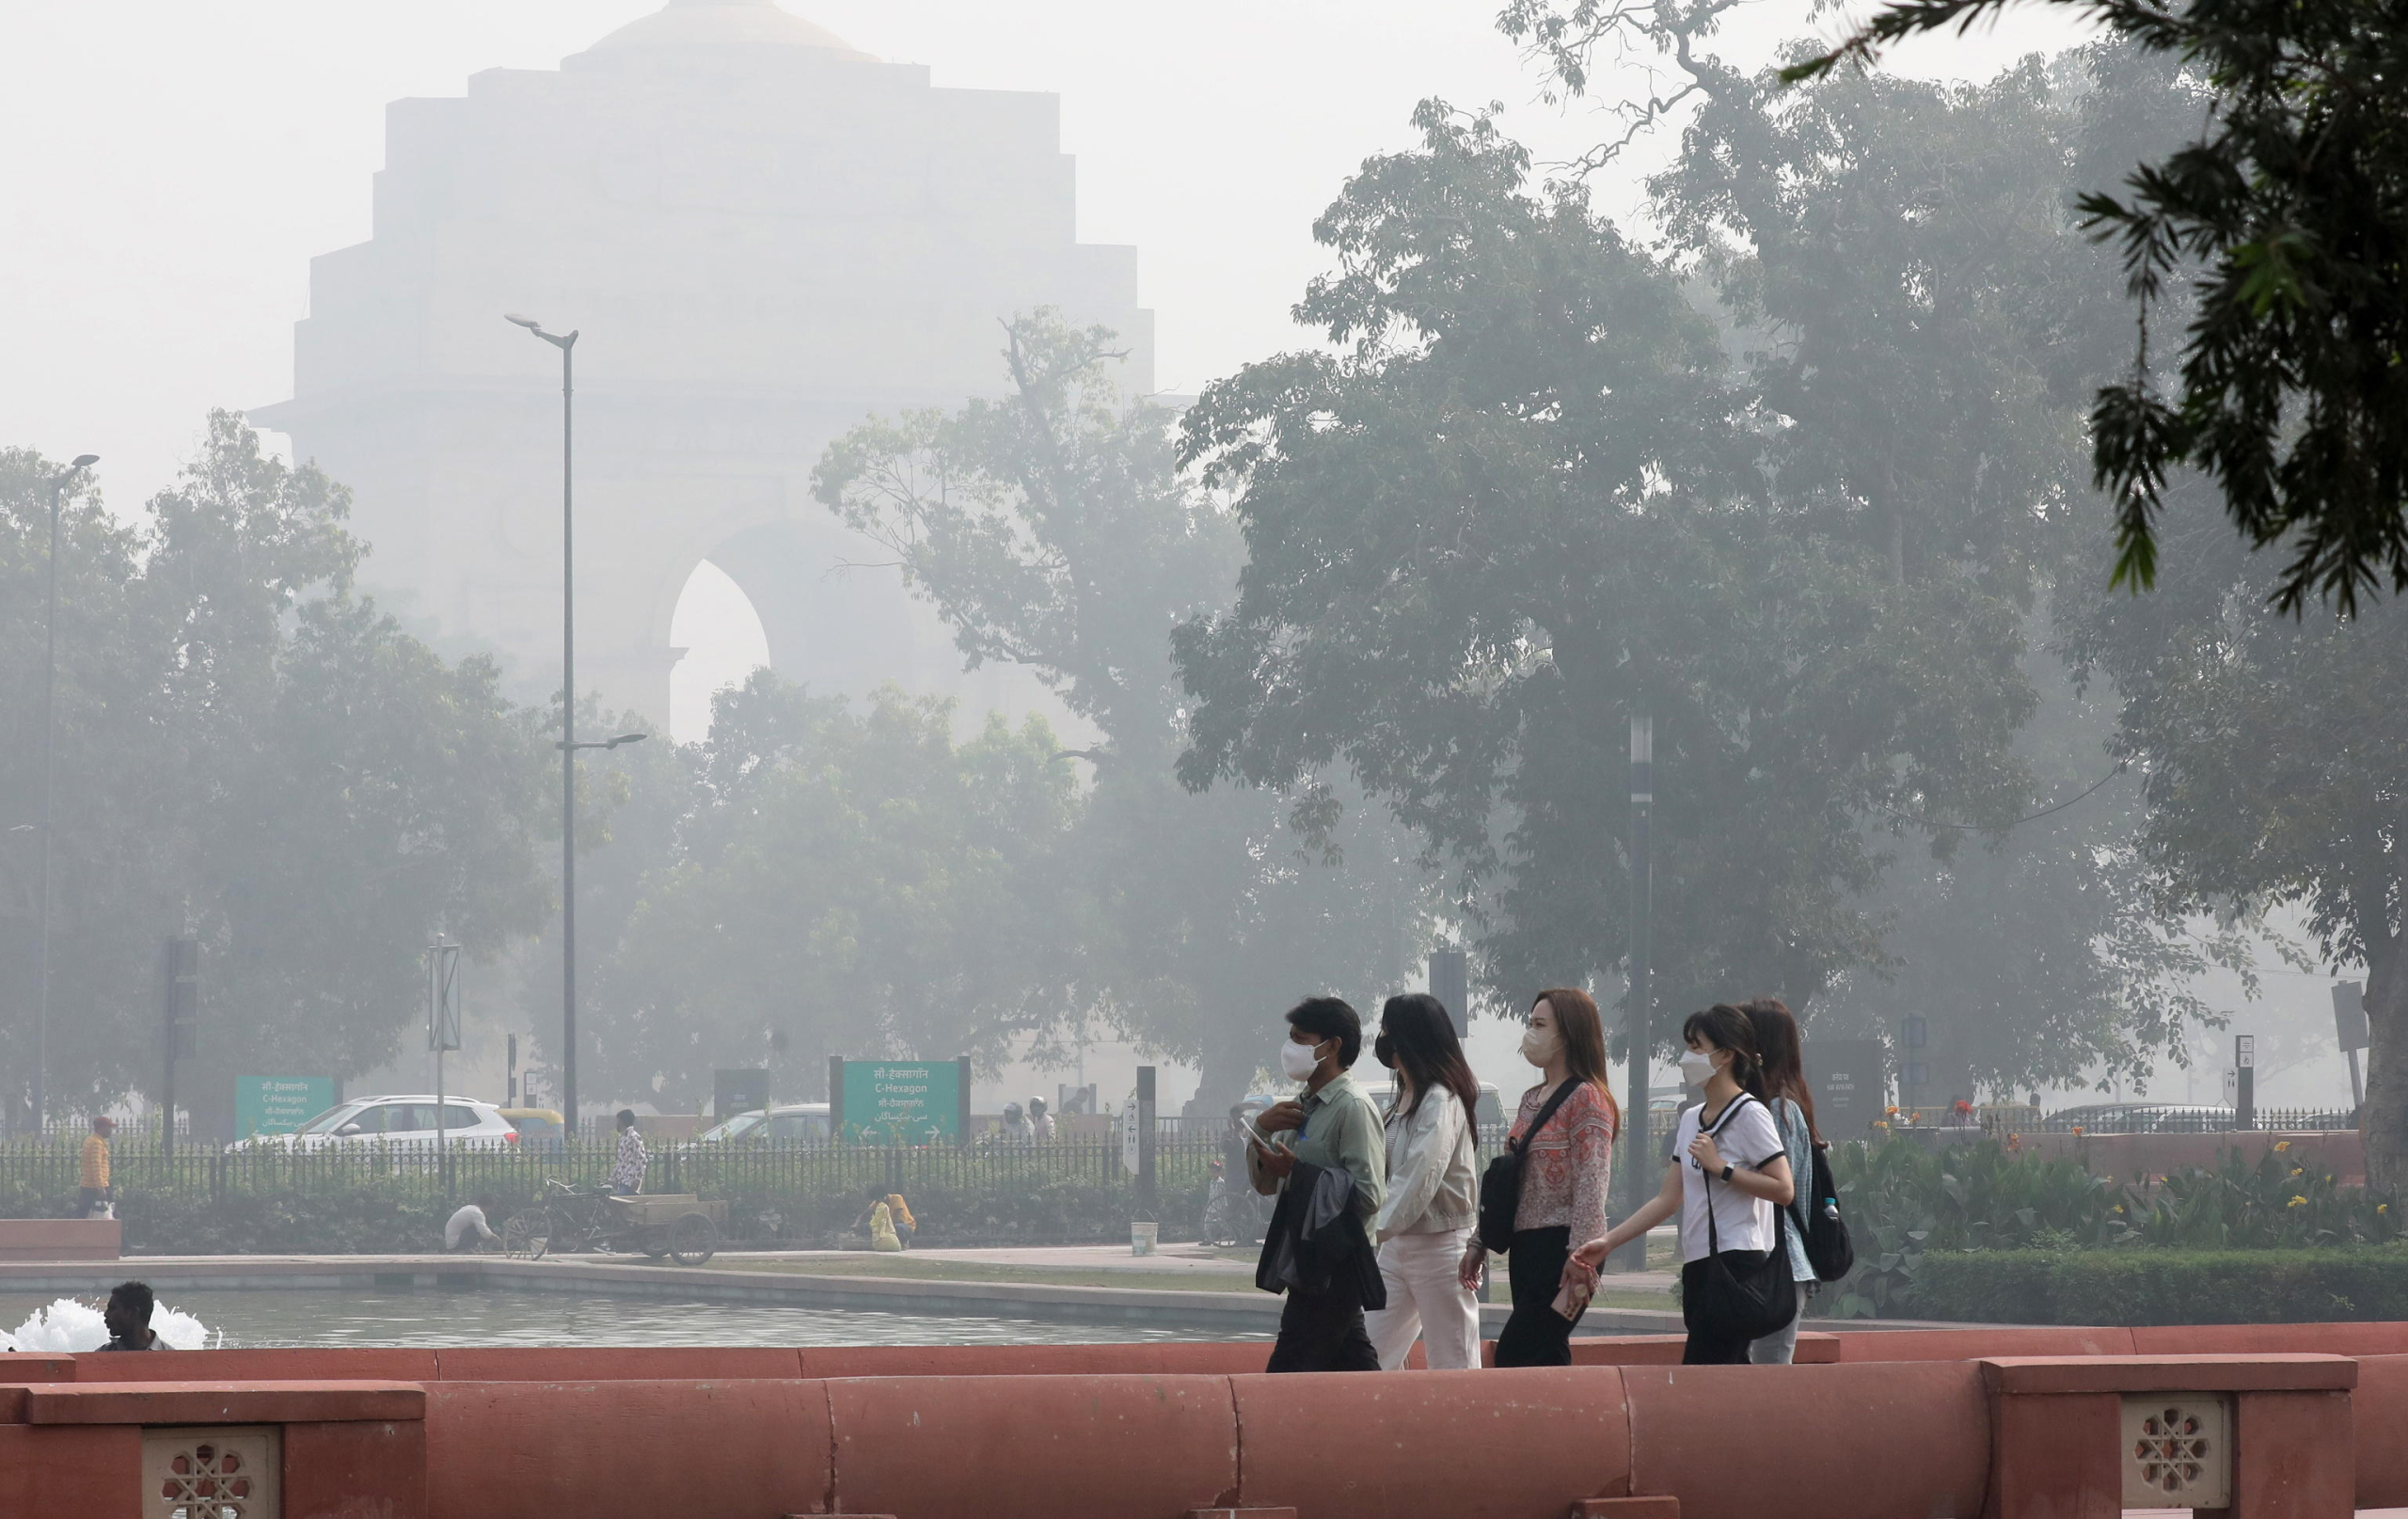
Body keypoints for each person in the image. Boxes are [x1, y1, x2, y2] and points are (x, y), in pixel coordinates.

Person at [1564, 1005, 1796, 1365]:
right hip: (1700, 1263)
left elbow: (1783, 1188)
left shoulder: (1751, 1113)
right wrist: (1608, 1243)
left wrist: (1723, 1168)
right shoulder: (1692, 1119)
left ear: (1726, 1055)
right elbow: (1667, 1199)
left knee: (1706, 1372)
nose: (1687, 1057)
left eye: (1697, 1046)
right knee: (1723, 1372)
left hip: (1738, 1260)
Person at [1462, 988, 1619, 1368]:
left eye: (1540, 1024)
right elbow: (1508, 1182)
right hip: (1526, 1247)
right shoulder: (1532, 1098)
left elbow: (1591, 1184)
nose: (1530, 1032)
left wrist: (1580, 1256)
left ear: (1568, 1033)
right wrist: (1480, 1240)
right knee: (1546, 1356)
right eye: (1530, 1022)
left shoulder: (1588, 1098)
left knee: (1519, 1351)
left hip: (1566, 1249)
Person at [1249, 995, 1387, 1372]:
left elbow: (1370, 1194)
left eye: (1301, 1038)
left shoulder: (1353, 1108)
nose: (1291, 1048)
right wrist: (1262, 1128)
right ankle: (1389, 1423)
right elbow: (1265, 1184)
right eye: (1290, 1038)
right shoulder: (1302, 1105)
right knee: (1353, 1360)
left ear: (1332, 1046)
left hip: (1338, 1258)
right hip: (1306, 1252)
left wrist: (1299, 1174)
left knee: (1293, 1361)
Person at [1361, 993, 1482, 1370]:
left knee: (1453, 1362)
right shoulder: (1402, 1101)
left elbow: (1420, 1173)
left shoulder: (1440, 1100)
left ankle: (1467, 1430)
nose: (1382, 1039)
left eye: (1388, 1030)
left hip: (1440, 1247)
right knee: (1369, 1354)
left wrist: (1370, 1230)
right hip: (1396, 1248)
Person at [1739, 998, 1820, 1364]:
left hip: (1778, 1264)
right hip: (1765, 1263)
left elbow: (1784, 1195)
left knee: (1769, 1381)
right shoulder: (1761, 1108)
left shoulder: (1777, 1112)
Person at [95, 1280, 170, 1351]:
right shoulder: (101, 1354)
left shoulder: (170, 1356)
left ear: (134, 1313)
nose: (106, 1314)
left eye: (113, 1308)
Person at [78, 1116, 114, 1221]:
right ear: (101, 1128)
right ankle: (119, 1237)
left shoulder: (89, 1140)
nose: (110, 1131)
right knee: (115, 1214)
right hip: (95, 1186)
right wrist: (101, 1188)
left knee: (81, 1215)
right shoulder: (96, 1143)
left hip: (88, 1185)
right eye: (109, 1128)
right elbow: (96, 1166)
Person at [607, 1109, 648, 1195]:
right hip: (622, 1180)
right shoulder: (623, 1138)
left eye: (618, 1121)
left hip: (630, 1182)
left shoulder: (634, 1137)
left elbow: (642, 1159)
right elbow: (621, 1161)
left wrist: (637, 1179)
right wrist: (612, 1178)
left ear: (622, 1121)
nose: (616, 1124)